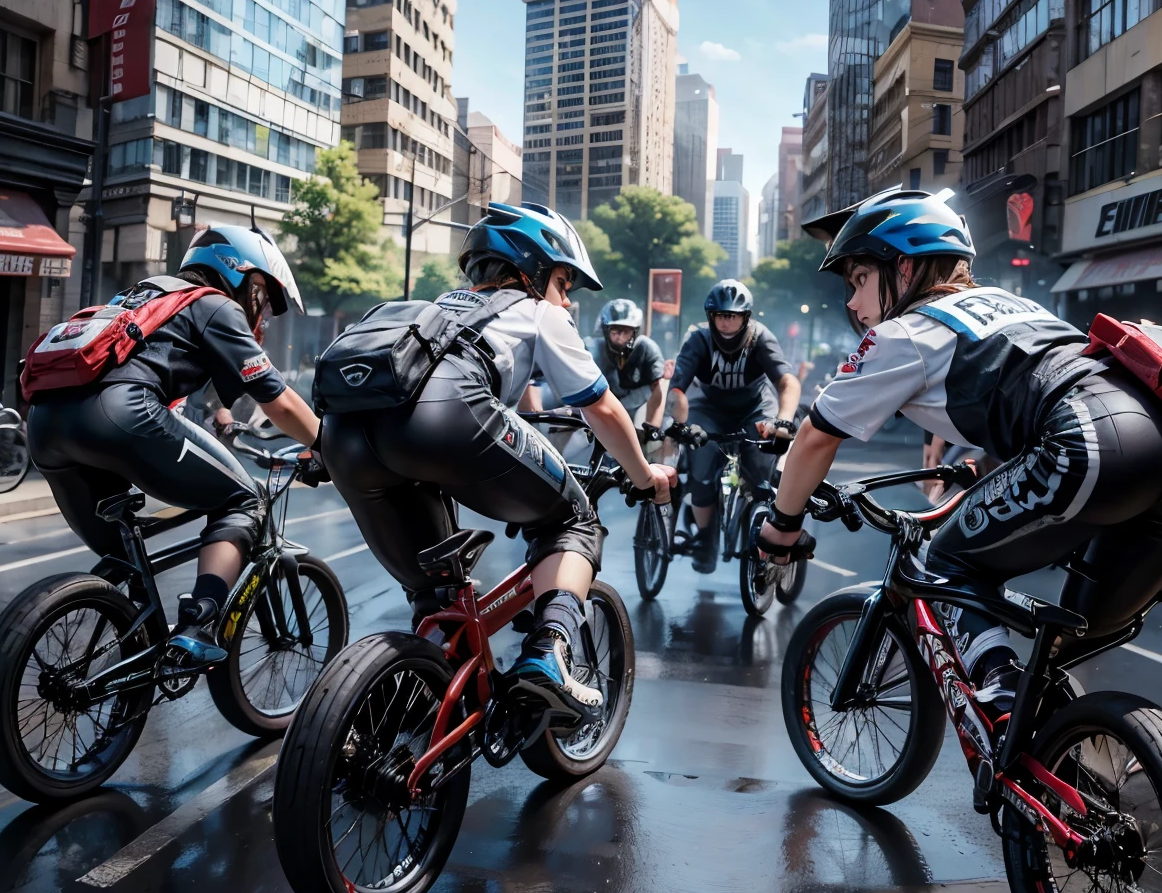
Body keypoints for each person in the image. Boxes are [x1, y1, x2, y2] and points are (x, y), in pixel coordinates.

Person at [755, 187, 1162, 710]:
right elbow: (1044, 386)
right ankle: (1074, 753)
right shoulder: (1015, 305)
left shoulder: (904, 334)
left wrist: (782, 529)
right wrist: (985, 463)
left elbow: (817, 436)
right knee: (1074, 636)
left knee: (945, 563)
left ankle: (998, 699)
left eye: (860, 279)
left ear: (906, 269)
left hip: (1096, 442)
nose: (851, 302)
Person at [315, 202, 676, 712]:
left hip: (345, 439)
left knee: (436, 591)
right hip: (445, 419)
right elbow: (602, 408)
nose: (567, 301)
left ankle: (424, 694)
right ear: (533, 271)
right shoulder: (536, 311)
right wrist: (644, 473)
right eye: (564, 283)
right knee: (573, 520)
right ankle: (549, 650)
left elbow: (522, 397)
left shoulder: (433, 309)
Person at [27, 225, 326, 663]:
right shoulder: (214, 304)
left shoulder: (146, 296)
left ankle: (132, 655)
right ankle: (198, 624)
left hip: (46, 424)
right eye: (262, 294)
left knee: (126, 559)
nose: (260, 312)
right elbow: (276, 400)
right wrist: (325, 442)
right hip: (119, 414)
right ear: (239, 272)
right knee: (245, 501)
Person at [664, 278, 802, 572]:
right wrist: (681, 426)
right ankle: (704, 537)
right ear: (710, 317)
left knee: (761, 475)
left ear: (745, 318)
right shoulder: (698, 340)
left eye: (733, 316)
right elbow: (677, 389)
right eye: (720, 316)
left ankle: (760, 521)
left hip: (755, 408)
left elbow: (787, 382)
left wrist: (785, 422)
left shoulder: (761, 338)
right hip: (709, 408)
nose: (726, 323)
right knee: (700, 470)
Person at [593, 298, 668, 430]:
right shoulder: (595, 349)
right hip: (605, 411)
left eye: (626, 332)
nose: (620, 337)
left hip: (641, 409)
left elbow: (659, 388)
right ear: (606, 331)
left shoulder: (646, 347)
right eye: (615, 331)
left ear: (635, 332)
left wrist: (652, 426)